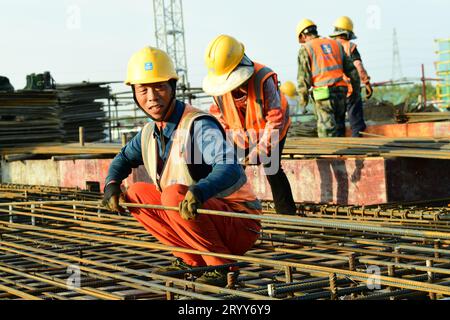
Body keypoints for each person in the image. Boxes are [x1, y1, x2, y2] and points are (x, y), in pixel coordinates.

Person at [102, 46, 262, 287]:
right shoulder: (149, 132)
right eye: (143, 90)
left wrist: (200, 190)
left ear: (173, 88)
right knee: (135, 193)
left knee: (173, 194)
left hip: (238, 223)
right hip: (200, 220)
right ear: (134, 94)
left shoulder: (198, 125)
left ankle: (220, 267)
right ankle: (190, 259)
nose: (152, 97)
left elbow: (230, 166)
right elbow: (122, 159)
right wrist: (111, 184)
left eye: (159, 88)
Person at [202, 35, 297, 216]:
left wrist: (261, 149)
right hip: (242, 135)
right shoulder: (219, 88)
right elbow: (219, 120)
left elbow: (275, 119)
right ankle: (236, 214)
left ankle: (288, 215)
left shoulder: (263, 79)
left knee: (272, 168)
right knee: (231, 169)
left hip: (273, 128)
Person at [296, 19, 361, 137]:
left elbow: (303, 79)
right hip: (341, 92)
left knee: (327, 132)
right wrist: (356, 93)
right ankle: (342, 154)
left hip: (323, 94)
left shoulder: (306, 48)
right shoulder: (335, 44)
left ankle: (331, 155)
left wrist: (303, 102)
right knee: (340, 129)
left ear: (303, 35)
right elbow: (353, 72)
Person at [330, 16, 373, 137]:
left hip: (334, 89)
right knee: (356, 121)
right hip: (350, 88)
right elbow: (358, 66)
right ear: (348, 33)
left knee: (338, 123)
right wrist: (367, 83)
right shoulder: (350, 46)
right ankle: (357, 144)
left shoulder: (330, 47)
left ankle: (340, 149)